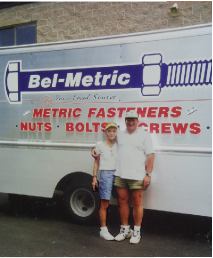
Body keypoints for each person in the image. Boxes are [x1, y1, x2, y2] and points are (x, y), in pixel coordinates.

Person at [92, 110, 154, 244]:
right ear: (125, 121)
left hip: (137, 175)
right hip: (120, 174)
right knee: (122, 202)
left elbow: (150, 155)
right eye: (128, 120)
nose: (131, 122)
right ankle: (124, 230)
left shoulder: (144, 134)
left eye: (133, 120)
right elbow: (107, 141)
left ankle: (136, 232)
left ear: (137, 121)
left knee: (137, 202)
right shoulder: (120, 134)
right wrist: (94, 150)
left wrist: (148, 174)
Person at [92, 122, 118, 241]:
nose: (111, 133)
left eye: (114, 131)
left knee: (122, 201)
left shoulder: (119, 145)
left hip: (119, 174)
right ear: (105, 132)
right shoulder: (100, 145)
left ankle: (125, 228)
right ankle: (103, 230)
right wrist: (94, 177)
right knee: (104, 204)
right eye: (109, 131)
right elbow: (96, 162)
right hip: (106, 174)